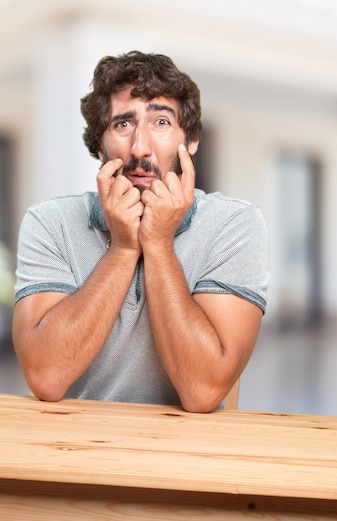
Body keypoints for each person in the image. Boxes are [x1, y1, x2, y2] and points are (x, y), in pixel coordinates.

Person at [12, 51, 270, 412]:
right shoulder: (49, 222)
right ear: (100, 148)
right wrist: (121, 249)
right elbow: (46, 376)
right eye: (122, 124)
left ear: (191, 140)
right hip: (73, 452)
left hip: (188, 458)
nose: (140, 147)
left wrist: (159, 245)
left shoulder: (234, 225)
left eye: (161, 122)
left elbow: (202, 391)